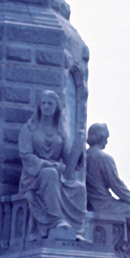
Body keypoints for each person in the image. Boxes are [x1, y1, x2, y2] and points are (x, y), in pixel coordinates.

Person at [18, 90, 86, 237]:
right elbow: (26, 155)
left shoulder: (61, 132)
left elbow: (68, 160)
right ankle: (56, 221)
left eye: (50, 103)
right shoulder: (29, 129)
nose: (47, 106)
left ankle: (77, 229)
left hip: (57, 174)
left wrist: (79, 152)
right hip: (33, 176)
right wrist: (46, 165)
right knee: (50, 174)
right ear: (39, 106)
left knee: (80, 188)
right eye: (44, 103)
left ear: (56, 107)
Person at [85, 123, 130, 258]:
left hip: (90, 202)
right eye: (106, 136)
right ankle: (126, 252)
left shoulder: (85, 156)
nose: (107, 140)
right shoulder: (104, 158)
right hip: (103, 204)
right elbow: (117, 186)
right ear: (102, 137)